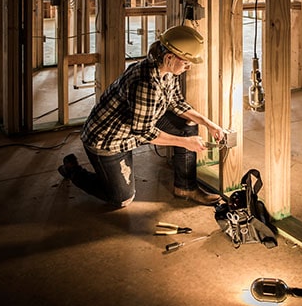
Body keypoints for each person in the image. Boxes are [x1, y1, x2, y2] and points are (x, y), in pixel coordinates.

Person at [58, 25, 225, 208]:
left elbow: (176, 103)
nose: (188, 66)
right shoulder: (146, 83)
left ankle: (185, 187)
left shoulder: (167, 71)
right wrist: (186, 143)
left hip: (137, 126)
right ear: (169, 57)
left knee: (188, 124)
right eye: (186, 62)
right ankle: (74, 171)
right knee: (121, 199)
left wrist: (208, 124)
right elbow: (143, 132)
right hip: (108, 140)